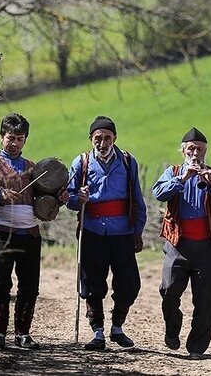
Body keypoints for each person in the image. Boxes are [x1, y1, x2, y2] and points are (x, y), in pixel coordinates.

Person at [0, 113, 68, 349]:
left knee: (29, 285)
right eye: (10, 137)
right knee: (0, 283)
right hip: (2, 233)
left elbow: (44, 202)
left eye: (20, 138)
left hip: (30, 234)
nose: (14, 143)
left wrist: (60, 199)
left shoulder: (34, 169)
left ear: (25, 140)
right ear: (1, 137)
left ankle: (23, 334)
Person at [152, 127, 211, 359]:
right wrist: (183, 179)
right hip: (177, 246)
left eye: (199, 149)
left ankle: (197, 347)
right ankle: (172, 330)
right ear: (183, 151)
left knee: (205, 300)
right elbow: (159, 193)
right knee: (168, 290)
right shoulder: (174, 171)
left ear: (205, 151)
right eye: (191, 149)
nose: (195, 153)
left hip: (206, 248)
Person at [67, 115, 147, 351]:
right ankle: (98, 331)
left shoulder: (127, 161)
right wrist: (77, 198)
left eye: (107, 138)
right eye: (98, 138)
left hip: (122, 233)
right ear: (90, 138)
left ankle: (118, 327)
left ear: (115, 138)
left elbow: (138, 200)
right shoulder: (80, 163)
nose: (102, 143)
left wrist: (138, 231)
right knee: (92, 283)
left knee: (129, 283)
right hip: (92, 232)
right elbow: (68, 198)